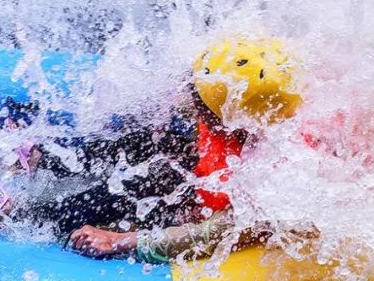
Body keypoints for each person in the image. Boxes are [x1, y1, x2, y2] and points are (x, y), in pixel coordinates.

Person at [68, 38, 303, 262]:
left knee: (151, 178)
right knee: (144, 142)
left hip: (214, 214)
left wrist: (123, 241)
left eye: (199, 105)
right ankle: (41, 157)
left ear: (230, 122)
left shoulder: (283, 166)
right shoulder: (271, 79)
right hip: (207, 181)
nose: (193, 103)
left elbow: (227, 228)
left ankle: (54, 218)